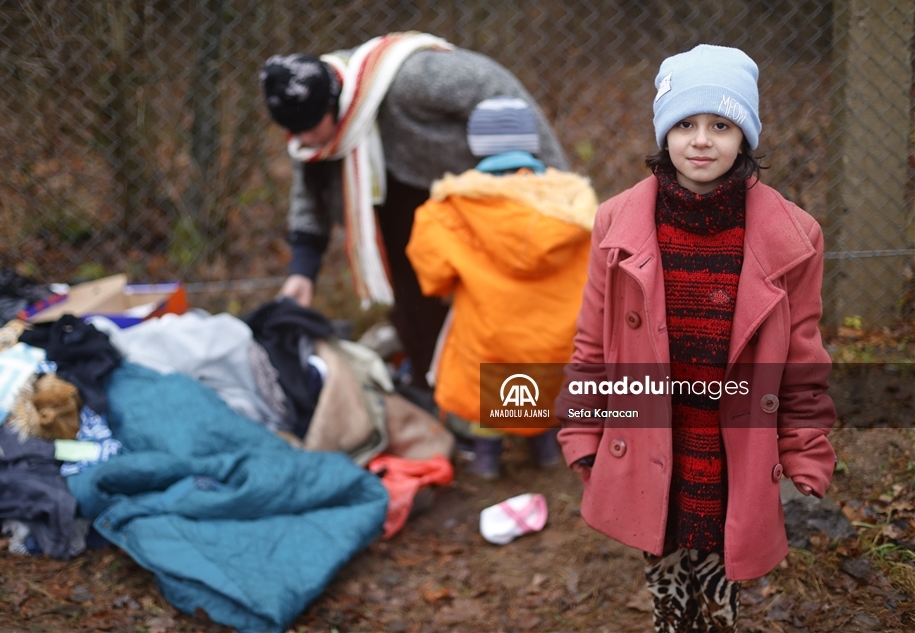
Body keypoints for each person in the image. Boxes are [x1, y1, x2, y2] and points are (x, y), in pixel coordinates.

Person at [555, 45, 836, 632]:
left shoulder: (795, 236)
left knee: (719, 571)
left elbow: (803, 359)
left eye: (721, 124)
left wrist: (804, 447)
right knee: (663, 562)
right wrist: (582, 426)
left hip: (731, 440)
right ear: (664, 132)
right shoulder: (617, 223)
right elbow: (592, 344)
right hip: (654, 426)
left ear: (745, 137)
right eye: (685, 123)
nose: (701, 140)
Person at [260, 32, 569, 390]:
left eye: (310, 130)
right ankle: (441, 399)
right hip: (391, 216)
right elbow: (309, 190)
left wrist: (550, 184)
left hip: (465, 195)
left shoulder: (411, 79)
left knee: (495, 301)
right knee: (414, 308)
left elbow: (496, 87)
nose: (304, 142)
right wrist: (303, 270)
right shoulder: (309, 129)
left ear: (335, 103)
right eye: (293, 133)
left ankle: (526, 410)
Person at [406, 97, 597, 479]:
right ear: (532, 143)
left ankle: (487, 456)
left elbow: (434, 278)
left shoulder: (448, 209)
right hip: (556, 340)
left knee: (484, 370)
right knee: (548, 375)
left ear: (476, 147)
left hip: (490, 342)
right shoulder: (574, 206)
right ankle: (545, 446)